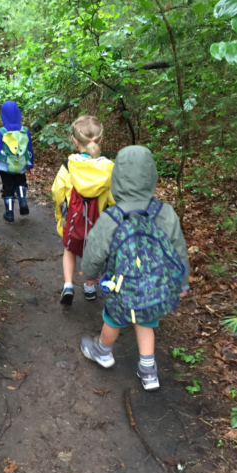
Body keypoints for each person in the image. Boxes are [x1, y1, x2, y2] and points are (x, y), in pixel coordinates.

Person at [77, 146, 188, 391]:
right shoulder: (165, 212)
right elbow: (178, 249)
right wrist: (182, 283)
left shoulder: (112, 217)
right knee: (146, 322)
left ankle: (103, 351)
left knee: (113, 319)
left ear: (117, 178)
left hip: (120, 286)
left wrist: (91, 274)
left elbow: (95, 249)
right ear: (151, 177)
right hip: (153, 287)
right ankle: (149, 372)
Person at [50, 115, 113, 306]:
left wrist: (60, 216)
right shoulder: (109, 168)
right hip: (99, 225)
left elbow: (57, 192)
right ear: (100, 140)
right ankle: (89, 286)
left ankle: (68, 285)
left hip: (74, 221)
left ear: (75, 140)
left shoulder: (69, 166)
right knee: (95, 255)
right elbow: (114, 198)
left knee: (69, 250)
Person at [0, 101, 35, 222]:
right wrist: (31, 165)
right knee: (20, 182)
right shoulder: (25, 130)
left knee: (7, 188)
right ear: (19, 114)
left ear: (3, 115)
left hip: (5, 166)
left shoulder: (2, 132)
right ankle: (22, 200)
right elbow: (29, 149)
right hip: (21, 164)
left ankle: (9, 213)